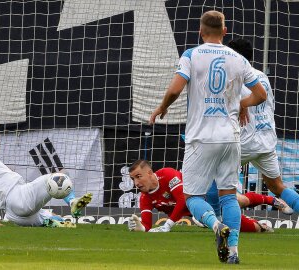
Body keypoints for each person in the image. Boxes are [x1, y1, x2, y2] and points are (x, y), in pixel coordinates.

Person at [149, 10, 267, 264]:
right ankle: (233, 251)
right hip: (230, 138)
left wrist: (163, 107)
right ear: (225, 32)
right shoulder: (239, 59)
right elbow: (261, 95)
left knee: (192, 197)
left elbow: (176, 88)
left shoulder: (192, 55)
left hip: (201, 138)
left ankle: (215, 226)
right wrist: (238, 105)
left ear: (200, 32)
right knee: (228, 195)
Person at [0, 85, 92, 227]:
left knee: (57, 221)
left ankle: (53, 222)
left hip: (14, 214)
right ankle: (73, 202)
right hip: (18, 197)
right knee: (59, 176)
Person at [226, 38, 299, 214]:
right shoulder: (262, 76)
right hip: (266, 140)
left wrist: (241, 105)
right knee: (277, 186)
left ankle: (218, 220)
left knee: (219, 182)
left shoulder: (235, 78)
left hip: (244, 141)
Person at [127, 160, 276, 234]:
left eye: (138, 176)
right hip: (203, 214)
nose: (136, 182)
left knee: (240, 200)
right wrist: (141, 228)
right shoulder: (145, 198)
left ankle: (272, 200)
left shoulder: (167, 175)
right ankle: (260, 226)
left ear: (150, 173)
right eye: (133, 179)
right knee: (254, 229)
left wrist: (168, 224)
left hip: (207, 195)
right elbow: (146, 226)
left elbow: (183, 199)